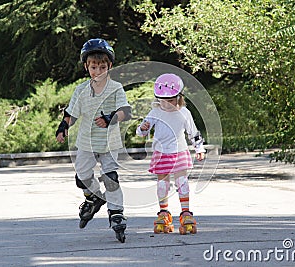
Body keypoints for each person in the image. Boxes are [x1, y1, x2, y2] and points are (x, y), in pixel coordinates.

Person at [55, 38, 131, 243]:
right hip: (86, 142)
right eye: (94, 67)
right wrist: (63, 127)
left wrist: (110, 118)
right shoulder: (81, 90)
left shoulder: (115, 88)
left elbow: (126, 112)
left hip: (109, 143)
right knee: (82, 177)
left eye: (102, 67)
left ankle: (116, 212)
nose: (98, 71)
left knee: (110, 177)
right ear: (86, 67)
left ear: (110, 67)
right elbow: (71, 114)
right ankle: (93, 197)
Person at [136, 73, 205, 235]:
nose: (167, 104)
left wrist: (199, 148)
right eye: (163, 100)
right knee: (162, 184)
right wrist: (143, 128)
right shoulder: (155, 112)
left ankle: (186, 213)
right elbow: (141, 132)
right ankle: (164, 213)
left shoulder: (185, 113)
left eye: (171, 100)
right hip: (161, 154)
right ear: (157, 99)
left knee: (182, 182)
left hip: (180, 151)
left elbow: (193, 132)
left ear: (179, 97)